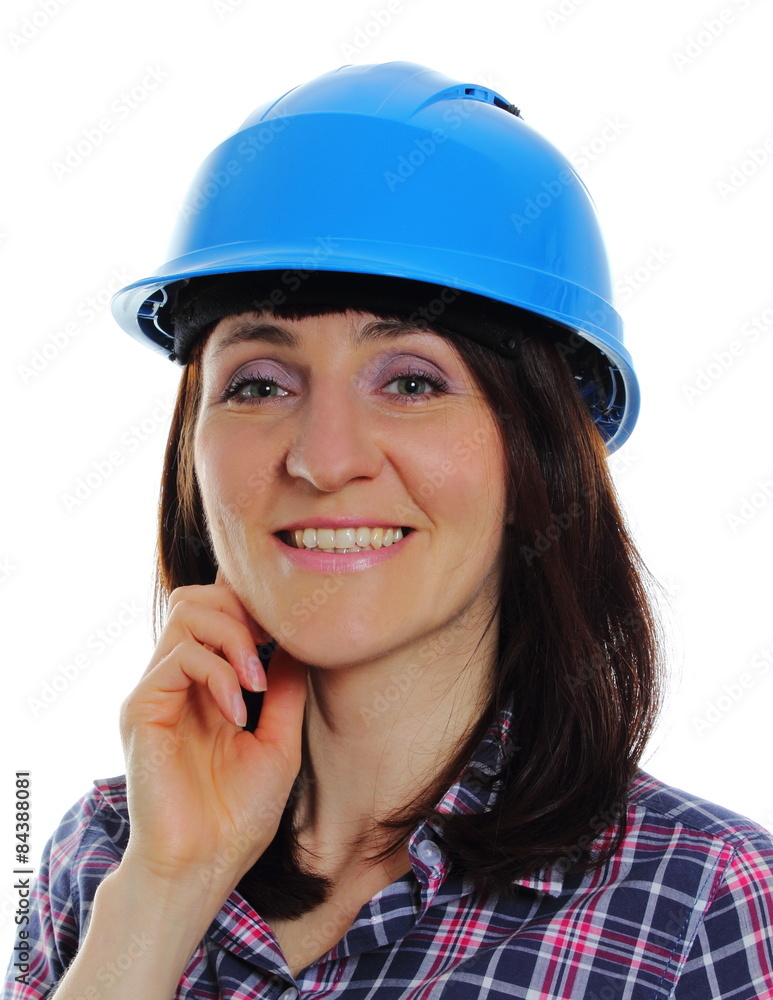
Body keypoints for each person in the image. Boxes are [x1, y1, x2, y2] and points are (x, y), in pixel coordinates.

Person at [4, 60, 772, 1000]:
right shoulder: (101, 864)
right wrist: (165, 893)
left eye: (410, 381)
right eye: (257, 384)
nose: (323, 461)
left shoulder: (703, 907)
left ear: (540, 452)